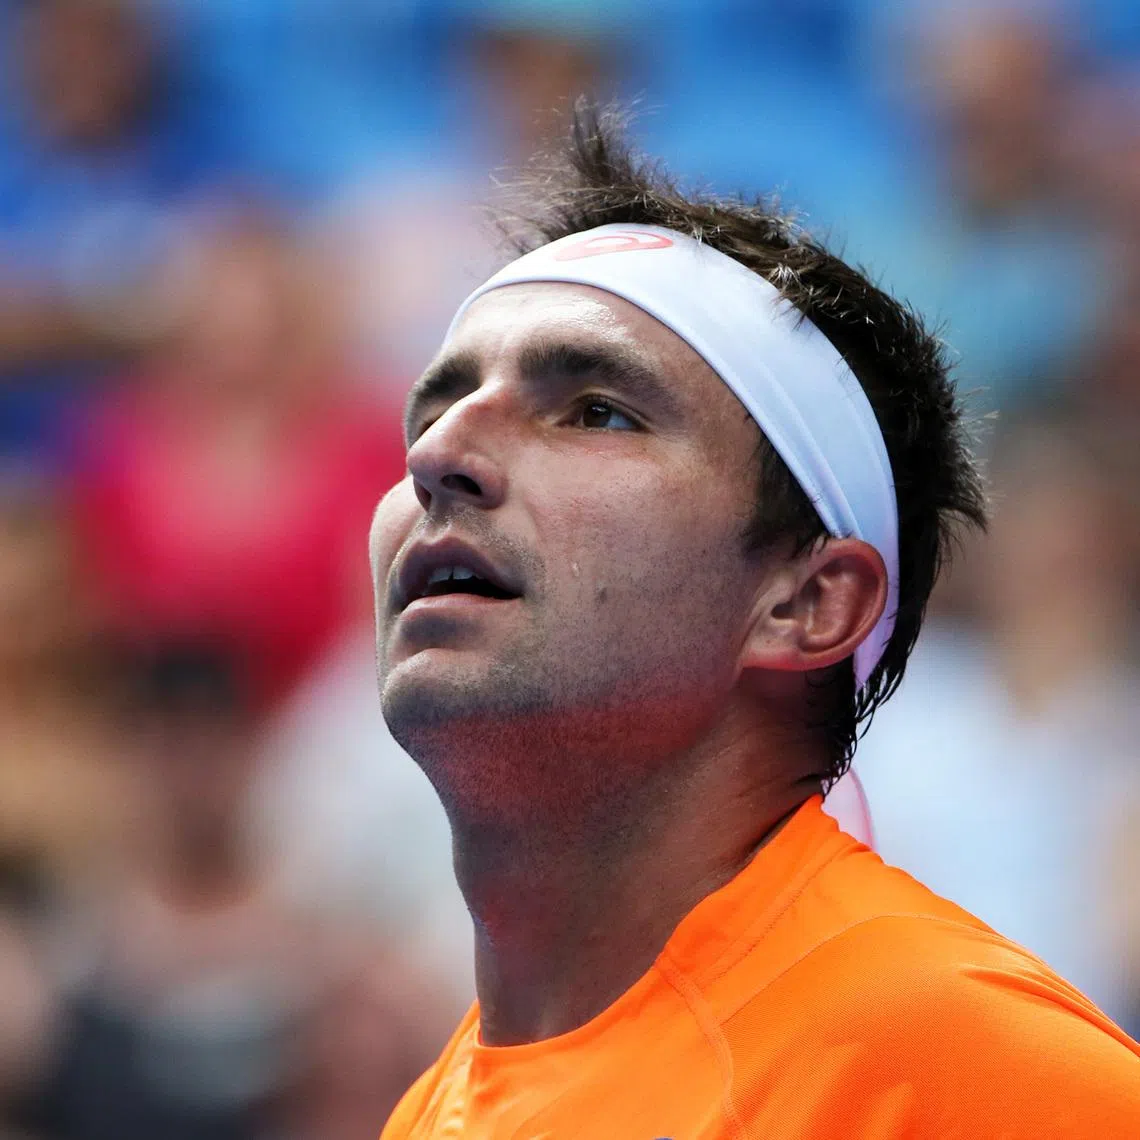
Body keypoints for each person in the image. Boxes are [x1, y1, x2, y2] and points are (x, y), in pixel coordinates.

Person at [369, 106, 1140, 1138]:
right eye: (433, 410)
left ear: (806, 602)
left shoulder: (959, 1062)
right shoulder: (431, 1113)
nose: (437, 455)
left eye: (597, 410)